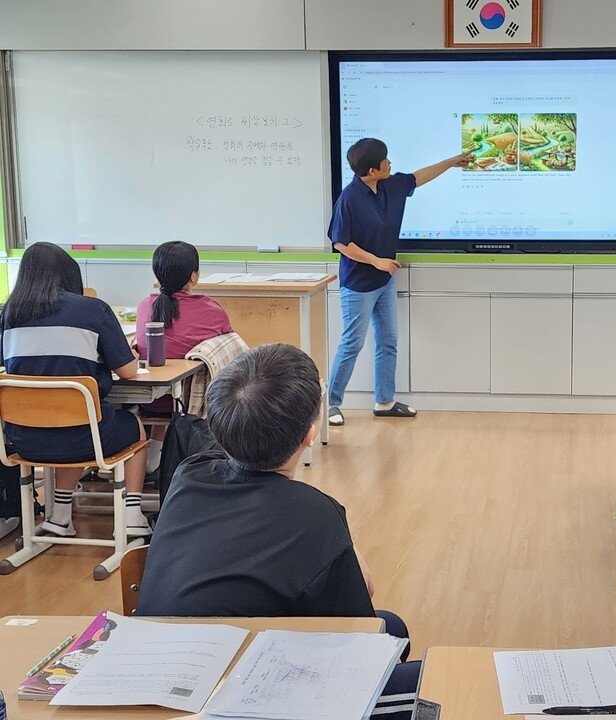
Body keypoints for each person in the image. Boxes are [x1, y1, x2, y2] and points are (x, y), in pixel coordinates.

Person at [137, 343, 417, 719]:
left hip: (163, 665)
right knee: (419, 668)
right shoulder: (314, 512)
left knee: (394, 627)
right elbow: (357, 630)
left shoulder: (190, 474)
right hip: (240, 696)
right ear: (309, 435)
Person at [0, 242, 150, 537]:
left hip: (21, 440)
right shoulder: (93, 310)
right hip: (84, 436)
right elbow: (128, 372)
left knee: (65, 417)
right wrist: (126, 356)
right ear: (68, 274)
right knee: (132, 426)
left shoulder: (8, 315)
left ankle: (59, 516)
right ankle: (131, 515)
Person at [327, 138, 471, 426]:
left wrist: (451, 162)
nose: (390, 163)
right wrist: (376, 260)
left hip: (385, 281)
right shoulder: (349, 198)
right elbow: (340, 243)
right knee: (352, 344)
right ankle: (330, 403)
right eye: (385, 160)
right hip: (358, 285)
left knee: (388, 341)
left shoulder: (390, 185)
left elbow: (420, 176)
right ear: (372, 169)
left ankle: (384, 401)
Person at [135, 241, 232, 471]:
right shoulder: (212, 311)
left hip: (148, 400)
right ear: (194, 276)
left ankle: (153, 457)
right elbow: (229, 347)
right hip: (193, 406)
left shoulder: (144, 307)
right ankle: (158, 459)